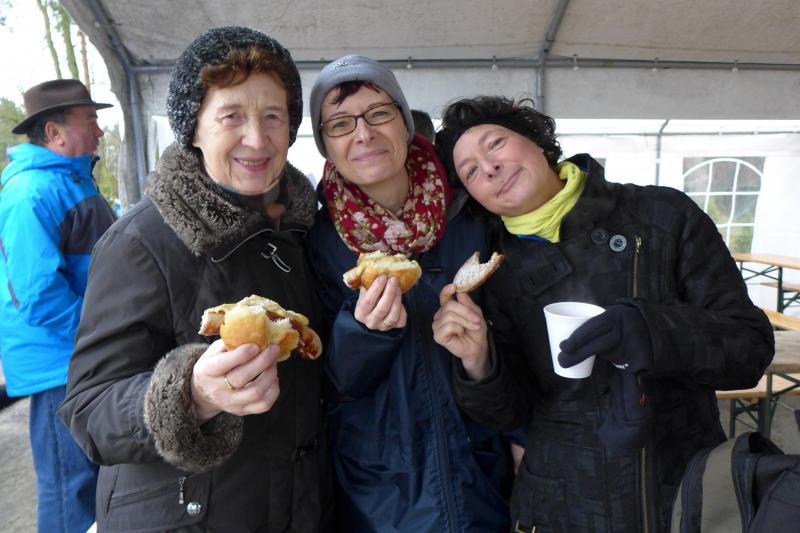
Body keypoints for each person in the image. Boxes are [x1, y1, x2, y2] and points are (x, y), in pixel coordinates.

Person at [432, 96, 775, 533]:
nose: (490, 168)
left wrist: (652, 332)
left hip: (682, 492)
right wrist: (478, 362)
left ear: (537, 140)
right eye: (471, 171)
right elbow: (510, 415)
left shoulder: (661, 215)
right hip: (560, 504)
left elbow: (750, 350)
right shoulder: (494, 270)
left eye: (495, 144)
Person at [58, 27, 330, 532]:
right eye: (231, 116)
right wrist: (192, 395)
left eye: (273, 116)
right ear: (194, 129)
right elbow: (88, 411)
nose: (257, 138)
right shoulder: (142, 240)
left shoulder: (305, 229)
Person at [307, 55, 512, 532]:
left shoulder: (473, 215)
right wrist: (363, 333)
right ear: (325, 145)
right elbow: (327, 384)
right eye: (340, 123)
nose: (363, 134)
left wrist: (481, 362)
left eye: (379, 113)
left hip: (479, 472)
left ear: (404, 122)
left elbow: (521, 338)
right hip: (380, 493)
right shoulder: (316, 243)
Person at [0, 78, 115, 533]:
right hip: (59, 364)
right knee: (71, 489)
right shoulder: (31, 192)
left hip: (79, 355)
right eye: (90, 120)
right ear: (54, 132)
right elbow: (38, 295)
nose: (99, 131)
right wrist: (101, 335)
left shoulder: (70, 181)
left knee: (90, 479)